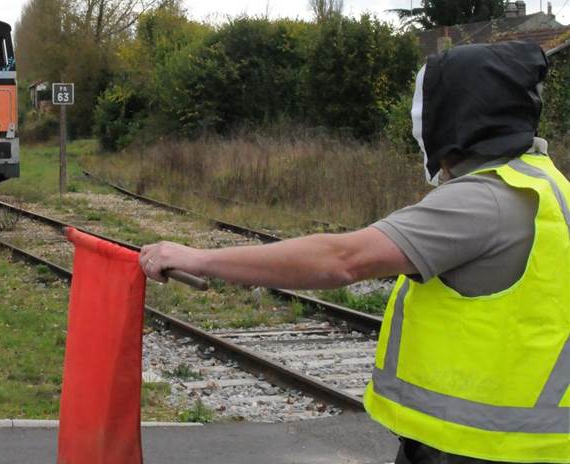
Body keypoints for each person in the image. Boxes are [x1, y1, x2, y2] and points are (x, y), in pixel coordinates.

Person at [140, 40, 569, 463]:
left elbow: (340, 260)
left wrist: (198, 258)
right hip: (527, 444)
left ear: (456, 119)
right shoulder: (550, 189)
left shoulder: (485, 200)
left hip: (482, 448)